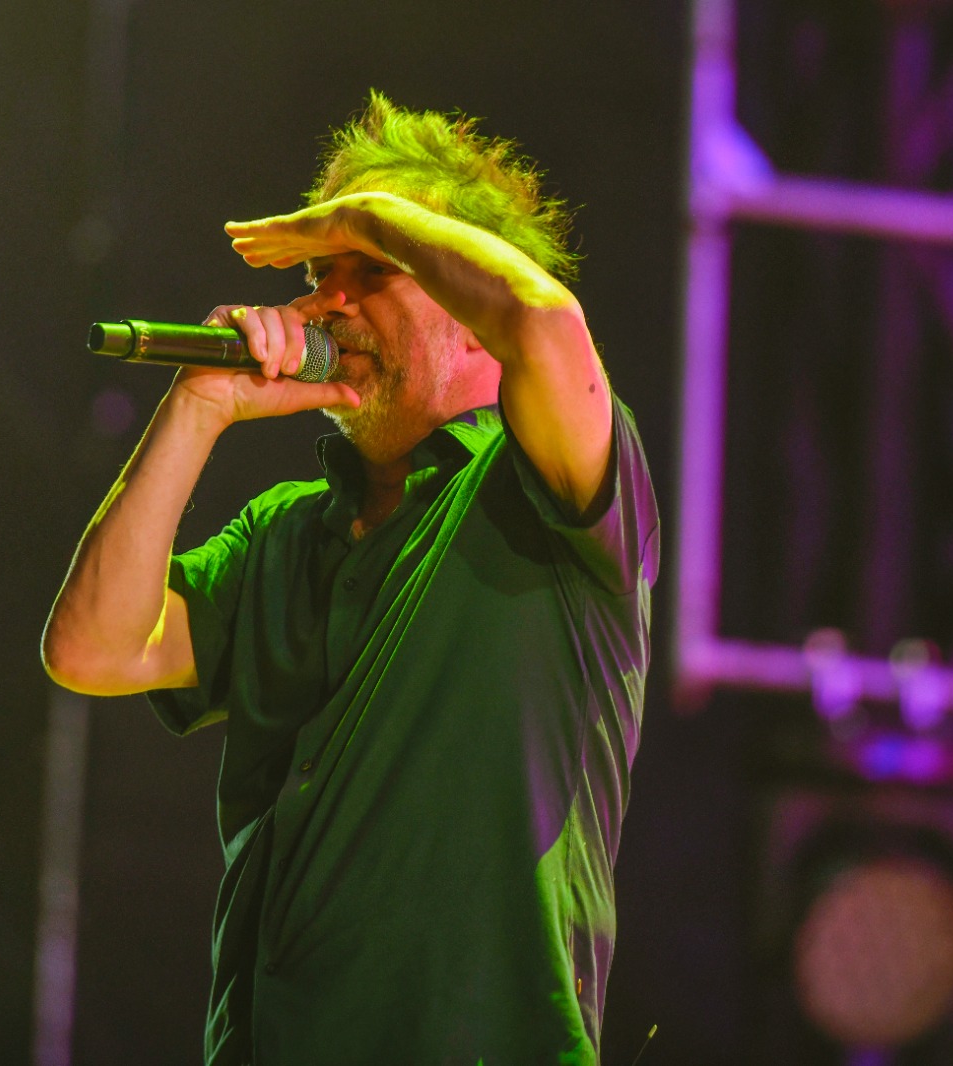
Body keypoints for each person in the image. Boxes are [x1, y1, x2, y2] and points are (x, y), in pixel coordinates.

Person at [43, 91, 660, 1065]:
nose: (327, 302)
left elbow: (544, 325)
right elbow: (92, 647)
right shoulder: (284, 534)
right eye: (319, 277)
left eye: (371, 274)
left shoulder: (543, 491)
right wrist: (197, 408)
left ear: (473, 316)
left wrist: (365, 211)